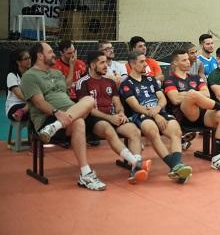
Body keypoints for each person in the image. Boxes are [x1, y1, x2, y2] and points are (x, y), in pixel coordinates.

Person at [20, 42, 106, 191]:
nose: (54, 54)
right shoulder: (29, 76)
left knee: (89, 101)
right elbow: (39, 103)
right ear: (40, 56)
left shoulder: (56, 73)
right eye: (50, 52)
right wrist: (56, 113)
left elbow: (65, 88)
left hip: (65, 117)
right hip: (47, 119)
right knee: (80, 119)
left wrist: (64, 115)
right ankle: (86, 174)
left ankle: (55, 128)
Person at [165, 49, 220, 172]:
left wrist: (189, 95)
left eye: (188, 59)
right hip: (185, 117)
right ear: (175, 63)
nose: (188, 61)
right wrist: (194, 95)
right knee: (192, 94)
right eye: (184, 60)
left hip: (202, 113)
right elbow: (175, 99)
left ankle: (217, 159)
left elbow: (206, 94)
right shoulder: (170, 80)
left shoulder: (195, 78)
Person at [75, 51, 151, 184]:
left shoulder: (109, 82)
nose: (106, 66)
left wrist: (120, 113)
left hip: (113, 117)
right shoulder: (83, 82)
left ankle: (135, 168)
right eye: (102, 63)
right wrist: (109, 118)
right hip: (94, 119)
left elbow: (117, 103)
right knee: (108, 129)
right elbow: (87, 109)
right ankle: (137, 163)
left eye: (106, 62)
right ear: (92, 66)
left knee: (134, 131)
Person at [120, 51, 192, 184]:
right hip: (140, 115)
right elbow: (135, 106)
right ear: (132, 64)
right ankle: (176, 166)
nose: (145, 64)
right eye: (141, 62)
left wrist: (158, 110)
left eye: (145, 61)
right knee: (152, 130)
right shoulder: (126, 84)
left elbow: (162, 98)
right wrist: (156, 115)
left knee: (176, 131)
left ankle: (176, 166)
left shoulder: (150, 79)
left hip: (158, 111)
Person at [5, 48, 31, 122]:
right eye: (26, 59)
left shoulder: (31, 74)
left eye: (29, 58)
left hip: (27, 104)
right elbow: (20, 95)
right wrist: (36, 101)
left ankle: (23, 111)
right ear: (18, 62)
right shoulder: (12, 75)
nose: (29, 60)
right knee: (38, 108)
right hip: (14, 107)